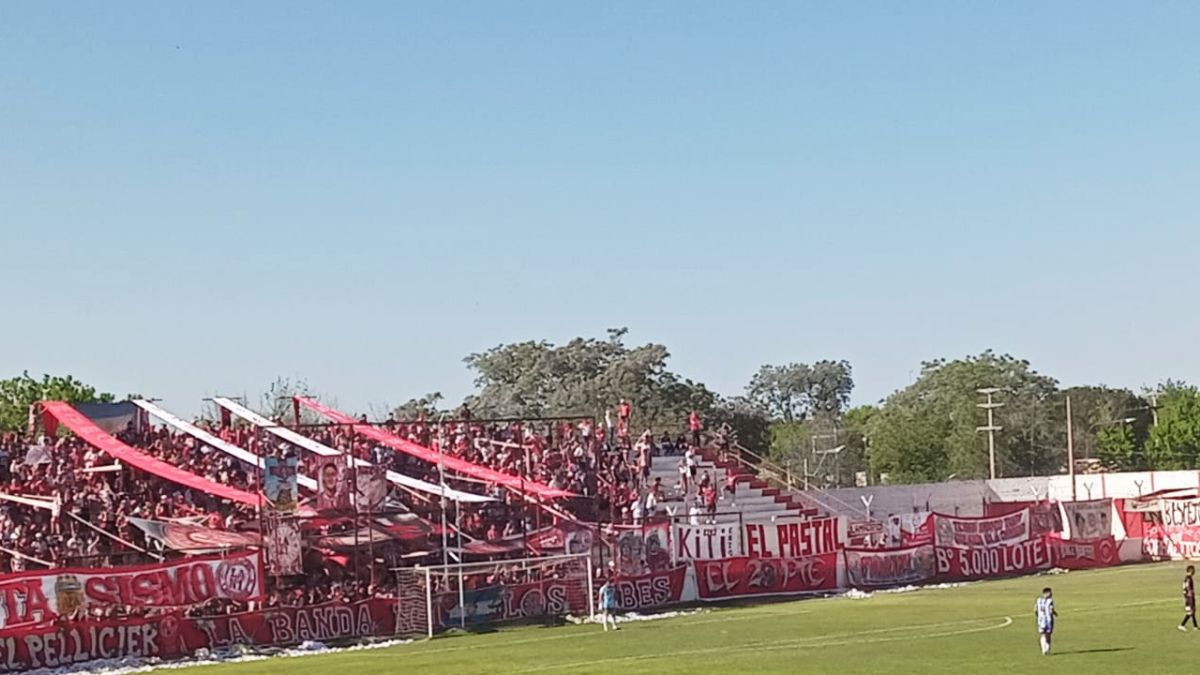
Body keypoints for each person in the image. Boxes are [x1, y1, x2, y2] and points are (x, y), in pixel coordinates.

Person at [1035, 587, 1056, 655]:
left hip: (1041, 620)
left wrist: (1038, 616)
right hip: (1048, 620)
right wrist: (1055, 613)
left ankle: (1043, 649)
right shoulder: (1050, 601)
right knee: (1048, 634)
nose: (1051, 594)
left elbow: (1035, 610)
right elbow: (1051, 610)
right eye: (1050, 592)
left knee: (1042, 634)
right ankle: (1047, 649)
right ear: (1046, 593)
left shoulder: (1038, 600)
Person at [1181, 565, 1197, 631]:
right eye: (1193, 570)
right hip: (1189, 597)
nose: (1194, 571)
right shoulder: (1188, 578)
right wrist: (1190, 596)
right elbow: (1188, 588)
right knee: (1191, 611)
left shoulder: (1187, 578)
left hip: (1188, 597)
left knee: (1192, 611)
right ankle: (1182, 625)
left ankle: (1195, 626)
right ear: (1190, 570)